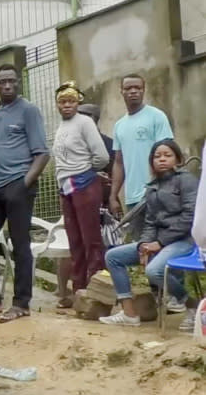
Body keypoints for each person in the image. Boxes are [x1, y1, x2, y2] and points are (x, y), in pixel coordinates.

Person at [0, 64, 50, 323]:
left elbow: (42, 154)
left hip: (18, 185)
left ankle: (21, 303)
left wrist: (23, 184)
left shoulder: (28, 110)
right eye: (3, 81)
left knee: (20, 244)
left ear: (18, 84)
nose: (8, 86)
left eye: (12, 82)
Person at [100, 139, 199, 331]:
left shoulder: (186, 180)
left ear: (178, 159)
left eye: (167, 155)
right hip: (159, 242)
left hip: (184, 240)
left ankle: (191, 305)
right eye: (157, 156)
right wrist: (145, 244)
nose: (161, 159)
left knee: (153, 271)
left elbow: (189, 218)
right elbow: (150, 223)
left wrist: (159, 243)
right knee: (113, 257)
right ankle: (129, 314)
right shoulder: (152, 187)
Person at [52, 82, 110, 306]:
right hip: (65, 186)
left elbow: (102, 157)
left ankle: (96, 289)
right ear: (57, 105)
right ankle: (78, 289)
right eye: (62, 102)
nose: (67, 105)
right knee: (74, 240)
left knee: (90, 239)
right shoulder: (61, 127)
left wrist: (86, 172)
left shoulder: (84, 122)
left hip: (83, 184)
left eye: (71, 101)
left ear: (78, 103)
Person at [109, 74, 173, 222]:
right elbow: (119, 162)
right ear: (121, 92)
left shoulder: (156, 116)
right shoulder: (119, 125)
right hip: (133, 199)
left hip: (157, 194)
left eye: (137, 88)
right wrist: (113, 196)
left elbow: (168, 155)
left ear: (143, 90)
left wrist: (163, 187)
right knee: (140, 243)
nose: (133, 91)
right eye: (128, 88)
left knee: (161, 240)